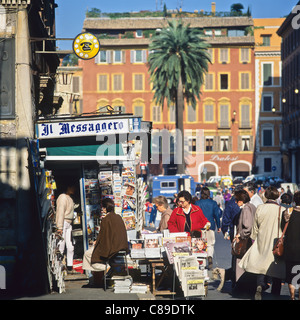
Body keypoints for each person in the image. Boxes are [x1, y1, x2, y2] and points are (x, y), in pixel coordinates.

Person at [238, 186, 286, 300]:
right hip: (276, 241)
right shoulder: (282, 209)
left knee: (261, 264)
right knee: (276, 266)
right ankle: (276, 292)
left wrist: (254, 237)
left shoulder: (260, 208)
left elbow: (255, 227)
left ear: (266, 196)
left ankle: (260, 285)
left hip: (262, 240)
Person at [82, 198, 128, 287]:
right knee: (92, 254)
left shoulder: (106, 219)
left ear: (105, 208)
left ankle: (106, 268)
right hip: (122, 246)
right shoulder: (118, 217)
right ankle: (100, 274)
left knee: (87, 255)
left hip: (112, 247)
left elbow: (104, 236)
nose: (102, 209)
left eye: (103, 208)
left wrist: (96, 243)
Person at [195, 187, 221, 269]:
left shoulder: (197, 203)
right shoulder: (213, 203)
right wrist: (219, 226)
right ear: (209, 194)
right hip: (210, 226)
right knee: (210, 244)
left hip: (200, 226)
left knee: (200, 245)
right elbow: (217, 215)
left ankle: (201, 263)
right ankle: (210, 256)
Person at [56, 183, 78, 274]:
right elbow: (60, 212)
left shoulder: (70, 198)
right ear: (68, 187)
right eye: (73, 186)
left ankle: (69, 266)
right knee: (62, 244)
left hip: (69, 223)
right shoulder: (62, 197)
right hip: (64, 222)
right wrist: (59, 227)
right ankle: (59, 266)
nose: (74, 189)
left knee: (70, 246)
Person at [282, 191, 300, 300]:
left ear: (294, 201)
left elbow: (282, 228)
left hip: (290, 248)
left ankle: (292, 296)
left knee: (291, 275)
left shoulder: (288, 212)